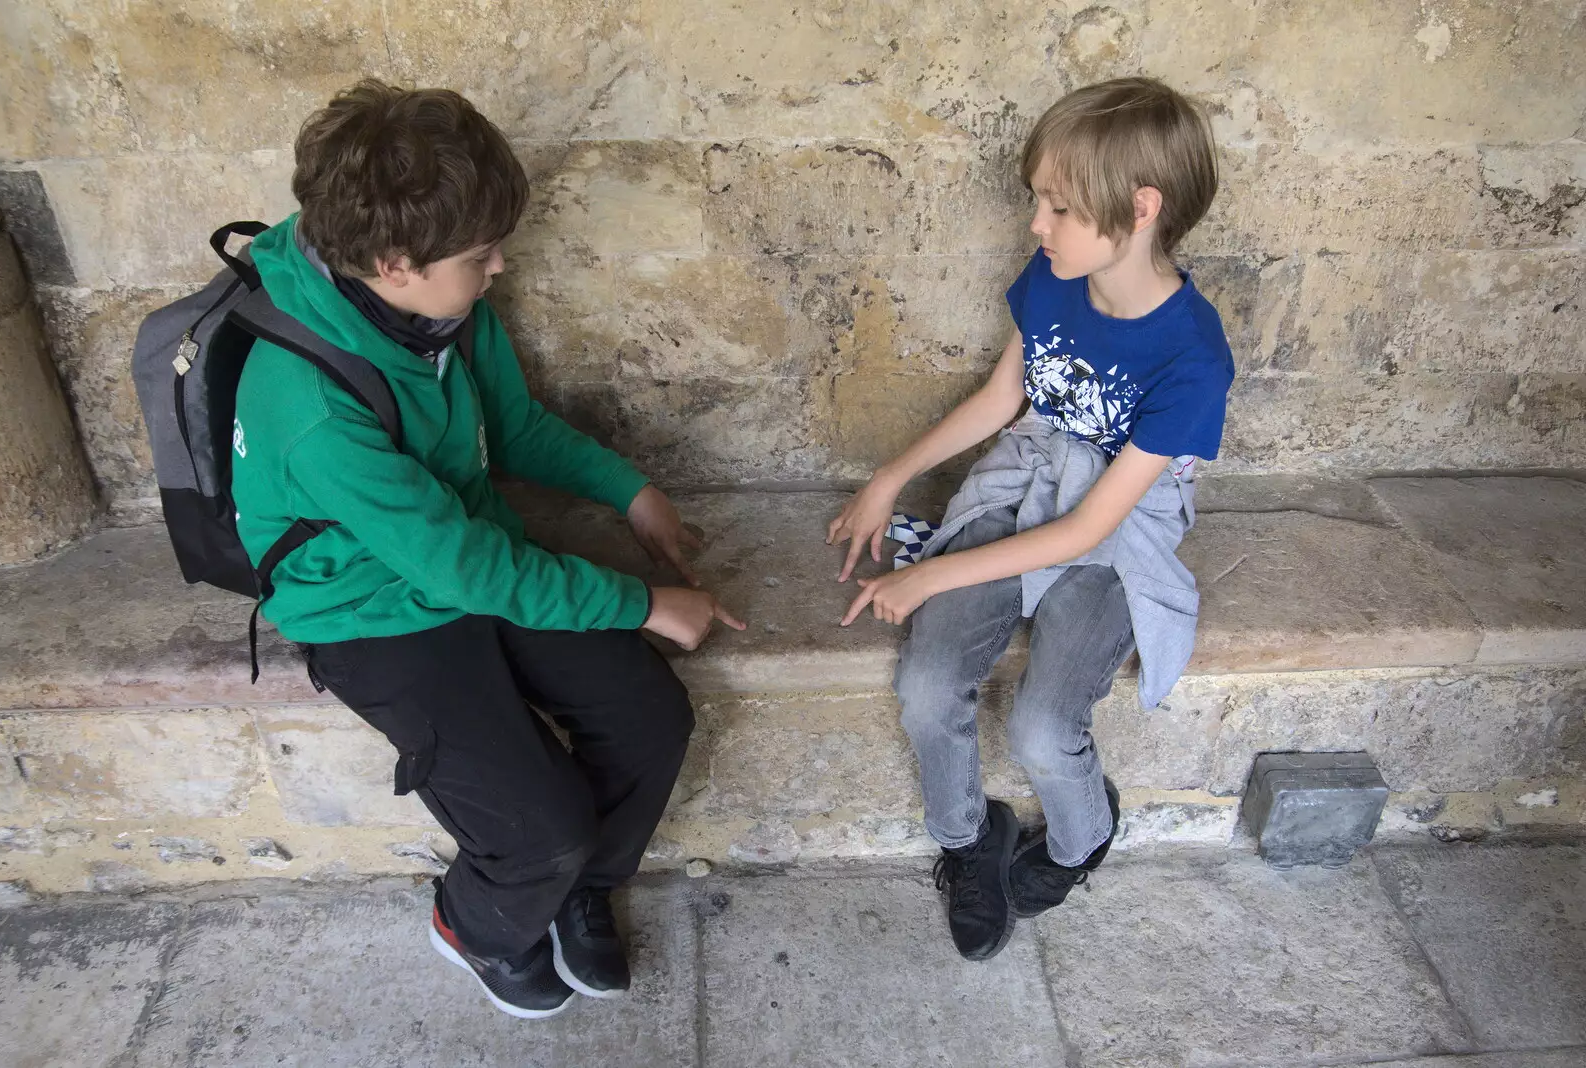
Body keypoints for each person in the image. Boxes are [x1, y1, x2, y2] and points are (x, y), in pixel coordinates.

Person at [232, 80, 743, 1017]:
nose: (501, 267)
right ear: (393, 262)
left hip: (462, 554)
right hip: (370, 609)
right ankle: (483, 923)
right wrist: (641, 601)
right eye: (481, 255)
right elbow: (465, 572)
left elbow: (506, 428)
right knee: (537, 832)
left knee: (647, 720)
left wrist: (632, 494)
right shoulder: (310, 409)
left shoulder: (442, 314)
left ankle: (580, 884)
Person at [829, 77, 1232, 961]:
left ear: (1141, 208)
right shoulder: (1056, 280)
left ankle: (1084, 836)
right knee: (927, 687)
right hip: (1030, 478)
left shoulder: (1194, 356)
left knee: (1045, 729)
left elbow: (1089, 530)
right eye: (1037, 202)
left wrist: (927, 571)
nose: (1037, 225)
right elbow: (1007, 395)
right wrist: (893, 478)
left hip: (1111, 526)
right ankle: (968, 840)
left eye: (1056, 205)